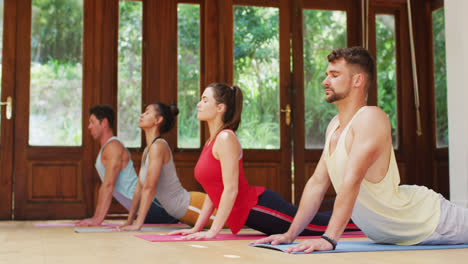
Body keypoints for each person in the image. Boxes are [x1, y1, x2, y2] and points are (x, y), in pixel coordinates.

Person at [252, 47, 468, 253]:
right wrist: (290, 234)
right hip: (393, 235)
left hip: (426, 220)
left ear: (357, 80)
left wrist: (329, 238)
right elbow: (317, 184)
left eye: (334, 75)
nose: (325, 81)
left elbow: (351, 182)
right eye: (327, 74)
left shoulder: (370, 118)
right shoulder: (334, 126)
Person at [169, 83, 359, 240]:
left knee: (317, 225)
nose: (198, 104)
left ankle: (363, 217)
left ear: (220, 108)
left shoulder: (225, 139)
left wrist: (213, 231)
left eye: (204, 100)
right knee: (318, 222)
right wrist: (197, 229)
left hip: (260, 207)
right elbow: (213, 190)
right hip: (254, 212)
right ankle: (357, 212)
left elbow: (231, 189)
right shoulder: (211, 141)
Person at [116, 102, 219, 231]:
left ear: (158, 120)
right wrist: (129, 220)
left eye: (147, 112)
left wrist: (138, 224)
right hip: (185, 210)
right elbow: (139, 188)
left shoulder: (158, 146)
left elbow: (149, 187)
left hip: (190, 206)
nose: (142, 115)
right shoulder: (148, 149)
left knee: (240, 219)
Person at [75, 105, 177, 226]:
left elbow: (108, 185)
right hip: (147, 209)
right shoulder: (107, 147)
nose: (89, 127)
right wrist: (96, 217)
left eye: (92, 122)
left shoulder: (113, 147)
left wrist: (97, 219)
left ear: (104, 123)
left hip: (155, 206)